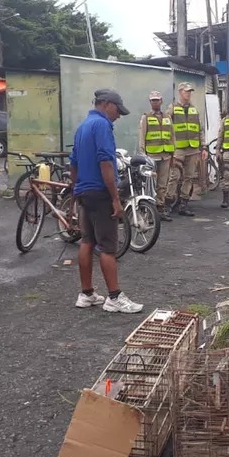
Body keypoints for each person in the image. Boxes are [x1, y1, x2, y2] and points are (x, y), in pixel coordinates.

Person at [69, 89, 143, 314]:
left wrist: (76, 189)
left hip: (84, 192)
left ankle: (87, 294)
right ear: (107, 104)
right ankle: (114, 297)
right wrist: (115, 199)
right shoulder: (102, 126)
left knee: (87, 241)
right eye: (117, 110)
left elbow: (73, 163)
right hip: (100, 193)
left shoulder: (83, 126)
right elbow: (106, 163)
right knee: (108, 247)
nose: (118, 115)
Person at [166, 82, 208, 217]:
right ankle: (167, 205)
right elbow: (166, 127)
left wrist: (204, 147)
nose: (189, 94)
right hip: (178, 149)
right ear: (180, 92)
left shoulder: (194, 110)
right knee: (174, 176)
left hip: (193, 149)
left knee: (189, 177)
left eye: (190, 92)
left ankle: (183, 204)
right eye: (186, 91)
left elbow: (200, 130)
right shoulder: (172, 108)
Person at [137, 90, 175, 221]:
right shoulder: (146, 117)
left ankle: (160, 208)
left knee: (163, 184)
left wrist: (172, 153)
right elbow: (142, 138)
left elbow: (172, 135)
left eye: (157, 100)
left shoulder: (167, 117)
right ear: (150, 102)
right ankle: (150, 212)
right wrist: (143, 156)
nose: (155, 102)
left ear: (161, 101)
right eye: (153, 100)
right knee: (150, 185)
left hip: (165, 156)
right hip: (151, 157)